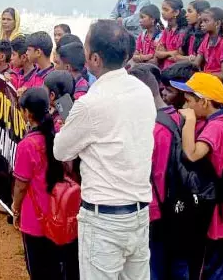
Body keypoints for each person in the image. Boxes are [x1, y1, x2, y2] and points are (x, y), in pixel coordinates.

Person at [54, 20, 155, 280]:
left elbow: (61, 151)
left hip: (104, 219)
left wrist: (70, 123)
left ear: (95, 58)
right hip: (139, 213)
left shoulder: (90, 104)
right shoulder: (143, 92)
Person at [170, 73, 223, 280]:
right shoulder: (215, 120)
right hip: (213, 208)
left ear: (204, 101)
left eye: (190, 100)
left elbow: (192, 154)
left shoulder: (216, 127)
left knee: (212, 268)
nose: (186, 104)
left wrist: (189, 120)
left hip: (216, 214)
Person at [12, 87, 79, 280]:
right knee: (59, 267)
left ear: (27, 113)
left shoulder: (27, 145)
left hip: (36, 218)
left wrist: (15, 208)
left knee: (39, 270)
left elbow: (21, 185)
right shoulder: (56, 136)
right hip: (60, 213)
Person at [127, 63, 186, 280]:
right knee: (179, 266)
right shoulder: (181, 118)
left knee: (154, 268)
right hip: (181, 207)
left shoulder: (150, 128)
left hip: (155, 210)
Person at [195, 7, 223, 82]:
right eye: (202, 21)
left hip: (218, 83)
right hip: (206, 79)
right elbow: (196, 63)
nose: (202, 24)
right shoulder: (206, 38)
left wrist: (202, 75)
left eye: (206, 21)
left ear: (217, 23)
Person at [155, 0, 187, 69]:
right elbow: (157, 53)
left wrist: (165, 53)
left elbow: (178, 54)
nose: (162, 12)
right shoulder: (167, 30)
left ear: (176, 12)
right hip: (165, 68)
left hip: (177, 69)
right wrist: (170, 53)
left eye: (166, 10)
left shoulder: (183, 32)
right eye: (162, 9)